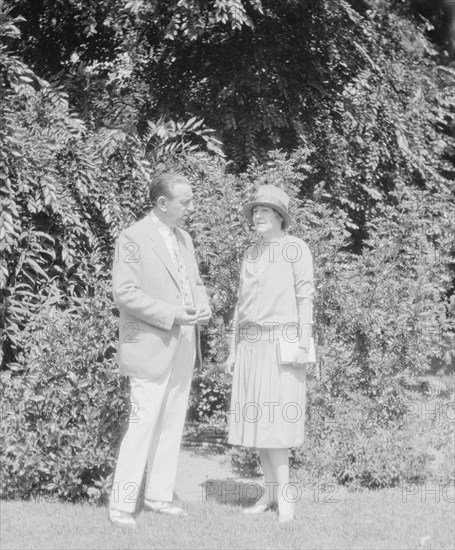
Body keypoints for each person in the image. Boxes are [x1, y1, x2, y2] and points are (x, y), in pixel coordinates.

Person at [109, 172, 211, 528]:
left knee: (171, 423)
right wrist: (172, 314)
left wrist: (202, 305)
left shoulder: (184, 238)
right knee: (142, 423)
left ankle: (159, 496)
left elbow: (195, 283)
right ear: (162, 203)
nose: (191, 208)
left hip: (185, 340)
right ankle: (121, 505)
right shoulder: (132, 238)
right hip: (150, 344)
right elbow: (124, 293)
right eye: (186, 202)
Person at [226, 184, 314, 523]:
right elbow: (240, 305)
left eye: (265, 211)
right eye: (255, 211)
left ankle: (286, 497)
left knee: (277, 423)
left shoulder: (296, 248)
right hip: (251, 346)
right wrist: (233, 350)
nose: (257, 216)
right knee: (258, 423)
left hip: (284, 344)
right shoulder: (250, 254)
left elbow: (305, 297)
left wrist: (304, 341)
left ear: (280, 217)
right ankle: (269, 492)